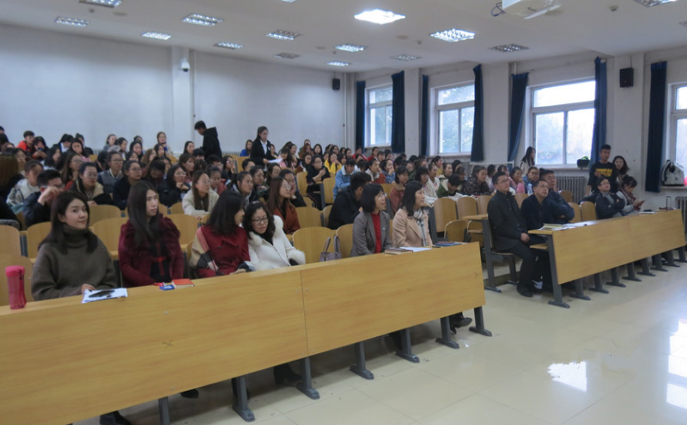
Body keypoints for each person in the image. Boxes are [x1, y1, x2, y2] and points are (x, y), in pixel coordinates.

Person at [30, 191, 130, 426]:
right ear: (61, 217)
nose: (82, 214)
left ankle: (110, 411)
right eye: (75, 210)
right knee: (66, 371)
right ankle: (65, 416)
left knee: (111, 357)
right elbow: (41, 292)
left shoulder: (96, 244)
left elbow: (110, 281)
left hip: (98, 317)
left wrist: (95, 294)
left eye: (84, 209)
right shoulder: (49, 249)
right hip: (63, 323)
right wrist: (77, 293)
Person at [119, 181, 185, 288]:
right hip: (144, 287)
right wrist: (151, 284)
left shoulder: (166, 225)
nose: (154, 203)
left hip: (171, 284)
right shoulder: (129, 231)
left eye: (155, 198)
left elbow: (178, 256)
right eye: (148, 199)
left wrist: (176, 280)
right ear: (137, 202)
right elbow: (125, 266)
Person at [487, 172, 539, 298]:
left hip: (517, 235)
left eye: (507, 180)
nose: (507, 183)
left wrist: (524, 232)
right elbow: (500, 227)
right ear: (495, 185)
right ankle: (522, 285)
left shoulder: (510, 198)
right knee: (528, 255)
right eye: (503, 181)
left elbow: (520, 218)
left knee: (540, 248)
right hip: (504, 239)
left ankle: (531, 281)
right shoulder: (494, 202)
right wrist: (519, 235)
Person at [189, 191, 249, 278]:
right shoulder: (204, 233)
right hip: (215, 279)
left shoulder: (241, 232)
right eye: (240, 210)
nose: (243, 213)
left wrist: (243, 270)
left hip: (239, 277)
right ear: (230, 211)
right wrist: (224, 276)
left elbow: (246, 261)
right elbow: (200, 268)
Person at [245, 200, 305, 269]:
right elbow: (256, 265)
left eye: (264, 218)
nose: (262, 223)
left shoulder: (276, 228)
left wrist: (293, 264)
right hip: (270, 274)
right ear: (249, 222)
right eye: (257, 220)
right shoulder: (249, 240)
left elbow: (289, 250)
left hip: (289, 270)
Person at [351, 184, 391, 257]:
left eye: (383, 194)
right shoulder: (360, 219)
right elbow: (362, 250)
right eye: (379, 196)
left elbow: (387, 244)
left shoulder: (385, 217)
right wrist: (377, 260)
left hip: (381, 258)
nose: (383, 198)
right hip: (363, 260)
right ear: (370, 199)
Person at [392, 181, 432, 248]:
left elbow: (427, 237)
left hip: (423, 252)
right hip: (408, 253)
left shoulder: (424, 214)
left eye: (423, 193)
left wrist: (431, 249)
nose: (423, 196)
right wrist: (418, 252)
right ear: (411, 195)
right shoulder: (400, 215)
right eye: (420, 193)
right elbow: (401, 243)